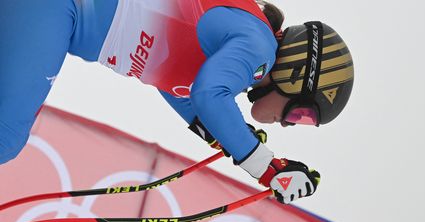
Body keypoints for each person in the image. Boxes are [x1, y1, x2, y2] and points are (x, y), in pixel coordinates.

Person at [0, 0, 353, 204]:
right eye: (303, 113)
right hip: (59, 9)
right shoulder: (259, 48)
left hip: (57, 14)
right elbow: (209, 95)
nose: (290, 122)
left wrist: (221, 135)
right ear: (297, 74)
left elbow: (179, 86)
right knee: (5, 138)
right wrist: (265, 166)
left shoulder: (239, 49)